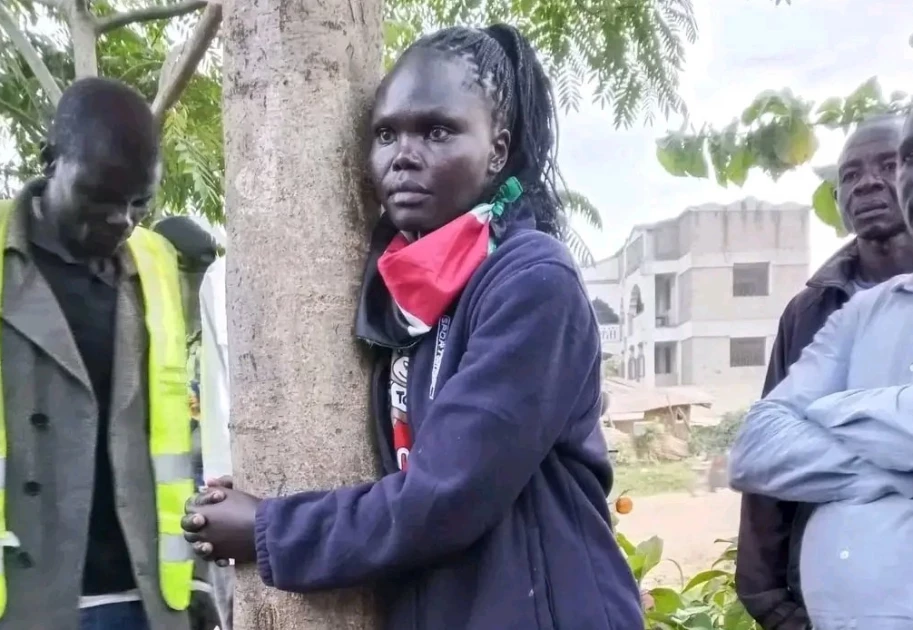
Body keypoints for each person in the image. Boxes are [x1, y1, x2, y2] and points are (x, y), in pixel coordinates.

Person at [182, 23, 643, 629]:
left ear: (496, 152)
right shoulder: (406, 295)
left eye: (437, 131)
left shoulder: (533, 282)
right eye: (385, 134)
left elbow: (447, 494)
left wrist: (270, 528)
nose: (403, 155)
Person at [0, 77, 211, 630]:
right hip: (21, 599)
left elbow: (170, 437)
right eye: (101, 196)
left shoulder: (154, 262)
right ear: (51, 161)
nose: (122, 220)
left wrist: (192, 582)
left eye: (138, 202)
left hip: (141, 597)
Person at [729, 108, 913, 630]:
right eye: (850, 175)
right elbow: (762, 457)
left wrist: (834, 417)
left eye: (888, 164)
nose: (868, 182)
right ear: (837, 202)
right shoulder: (813, 311)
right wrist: (766, 595)